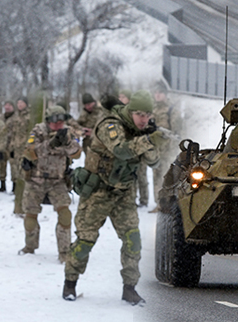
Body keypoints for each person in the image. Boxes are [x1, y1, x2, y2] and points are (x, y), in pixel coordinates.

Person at [63, 90, 165, 306]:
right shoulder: (111, 124)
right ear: (130, 112)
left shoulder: (142, 130)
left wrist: (151, 139)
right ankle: (70, 283)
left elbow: (154, 162)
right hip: (97, 192)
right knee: (85, 242)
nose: (144, 119)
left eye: (147, 115)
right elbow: (120, 150)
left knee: (133, 240)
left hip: (124, 194)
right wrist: (146, 140)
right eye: (140, 115)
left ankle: (130, 289)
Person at [19, 106, 82, 262]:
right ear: (48, 121)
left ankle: (64, 252)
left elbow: (77, 153)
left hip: (58, 180)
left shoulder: (67, 131)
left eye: (61, 121)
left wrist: (67, 142)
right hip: (36, 180)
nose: (58, 125)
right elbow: (30, 151)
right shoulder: (38, 131)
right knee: (30, 215)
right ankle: (30, 246)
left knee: (65, 215)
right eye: (55, 122)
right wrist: (51, 144)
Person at [149, 89, 182, 210]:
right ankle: (158, 203)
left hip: (167, 150)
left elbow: (176, 131)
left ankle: (167, 204)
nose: (157, 94)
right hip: (155, 148)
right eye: (156, 92)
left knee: (166, 176)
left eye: (160, 92)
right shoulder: (152, 110)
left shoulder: (171, 109)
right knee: (156, 175)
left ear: (165, 94)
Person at [6, 97, 31, 216]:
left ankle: (26, 199)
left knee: (25, 174)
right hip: (16, 149)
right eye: (18, 103)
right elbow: (11, 134)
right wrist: (10, 147)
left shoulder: (29, 117)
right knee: (16, 173)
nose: (20, 105)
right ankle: (19, 197)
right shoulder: (15, 117)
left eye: (22, 103)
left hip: (26, 149)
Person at [0, 101, 16, 192]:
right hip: (2, 145)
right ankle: (2, 185)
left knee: (14, 167)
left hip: (12, 146)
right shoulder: (0, 118)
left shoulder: (16, 118)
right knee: (2, 166)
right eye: (6, 105)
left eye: (9, 105)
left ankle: (14, 186)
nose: (7, 107)